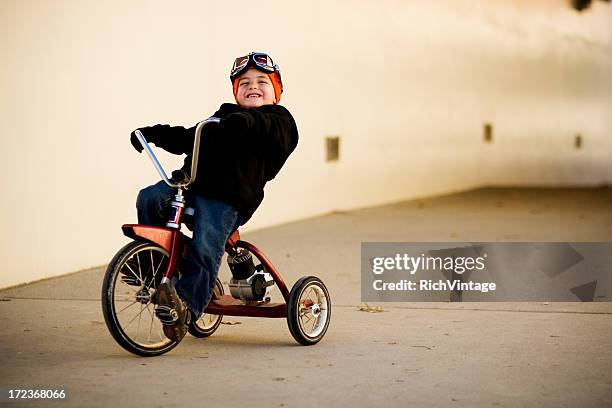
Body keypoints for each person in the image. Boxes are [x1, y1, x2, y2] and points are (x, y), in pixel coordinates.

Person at [129, 52, 298, 341]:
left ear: (276, 91)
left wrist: (244, 122)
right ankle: (156, 270)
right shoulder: (222, 116)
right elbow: (189, 137)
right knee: (149, 198)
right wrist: (152, 133)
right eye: (244, 83)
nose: (252, 86)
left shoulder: (279, 121)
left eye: (262, 82)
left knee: (206, 244)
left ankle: (186, 304)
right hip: (190, 187)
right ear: (235, 91)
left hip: (228, 199)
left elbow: (268, 131)